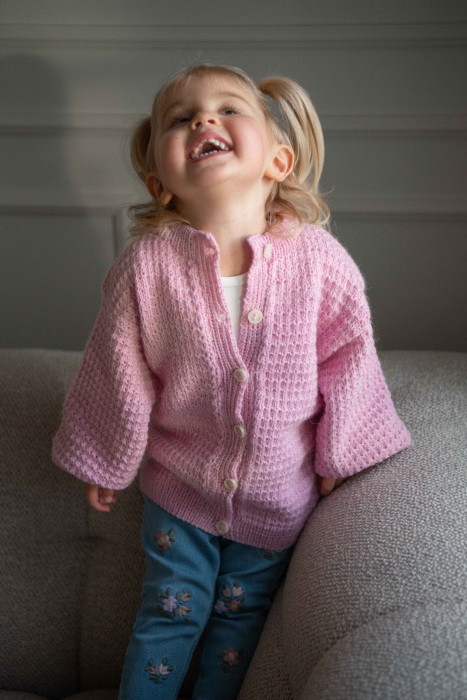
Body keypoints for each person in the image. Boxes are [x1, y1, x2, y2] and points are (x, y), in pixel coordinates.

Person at [51, 62, 411, 700]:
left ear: (277, 161)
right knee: (170, 611)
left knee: (236, 626)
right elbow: (116, 368)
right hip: (180, 491)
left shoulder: (319, 262)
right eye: (180, 118)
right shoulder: (146, 269)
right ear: (160, 184)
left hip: (277, 498)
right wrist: (106, 457)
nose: (202, 120)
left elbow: (350, 358)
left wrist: (341, 451)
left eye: (226, 109)